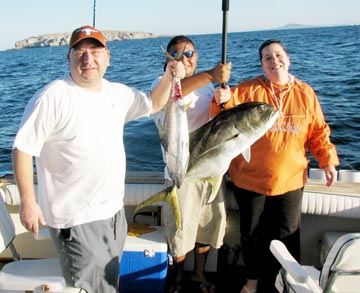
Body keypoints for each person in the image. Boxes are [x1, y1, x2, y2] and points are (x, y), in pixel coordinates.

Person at [11, 25, 186, 293]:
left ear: (108, 57)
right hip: (77, 219)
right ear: (68, 58)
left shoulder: (115, 93)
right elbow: (22, 148)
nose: (87, 59)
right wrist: (28, 202)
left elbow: (154, 102)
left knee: (108, 281)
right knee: (90, 288)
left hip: (113, 213)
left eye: (95, 51)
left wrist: (169, 76)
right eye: (79, 52)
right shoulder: (54, 96)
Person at [210, 39, 339, 293]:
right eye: (267, 57)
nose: (274, 61)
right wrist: (221, 99)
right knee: (251, 236)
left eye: (279, 55)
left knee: (289, 235)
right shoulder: (246, 91)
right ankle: (251, 282)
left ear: (288, 59)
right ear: (261, 65)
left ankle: (287, 283)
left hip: (290, 180)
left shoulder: (305, 93)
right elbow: (221, 118)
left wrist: (328, 160)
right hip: (249, 180)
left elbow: (318, 133)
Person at [151, 35, 231, 293]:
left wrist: (225, 100)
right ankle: (176, 278)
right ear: (167, 60)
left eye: (189, 53)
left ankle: (199, 276)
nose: (183, 58)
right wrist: (210, 74)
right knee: (179, 231)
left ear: (196, 57)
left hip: (211, 170)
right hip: (180, 172)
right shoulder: (161, 85)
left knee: (207, 226)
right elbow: (176, 92)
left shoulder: (211, 88)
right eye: (176, 53)